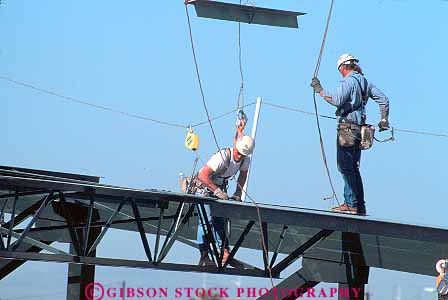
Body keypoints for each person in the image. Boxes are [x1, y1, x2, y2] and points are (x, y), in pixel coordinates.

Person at [310, 53, 390, 215]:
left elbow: (337, 100)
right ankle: (359, 206)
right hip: (360, 130)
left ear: (343, 67)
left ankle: (350, 204)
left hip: (347, 129)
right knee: (354, 168)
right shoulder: (364, 82)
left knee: (345, 167)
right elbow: (384, 100)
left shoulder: (348, 81)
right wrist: (384, 120)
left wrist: (319, 90)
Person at [196, 135, 255, 267]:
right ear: (235, 148)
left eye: (242, 154)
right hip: (203, 187)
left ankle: (225, 253)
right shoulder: (222, 157)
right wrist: (216, 191)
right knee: (206, 221)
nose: (239, 156)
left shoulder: (245, 158)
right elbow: (202, 175)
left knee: (220, 220)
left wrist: (238, 193)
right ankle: (204, 257)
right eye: (238, 153)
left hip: (219, 188)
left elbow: (243, 174)